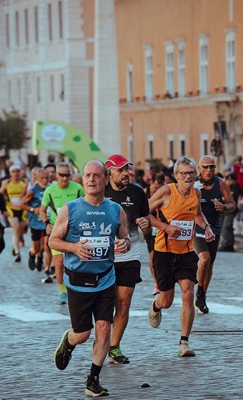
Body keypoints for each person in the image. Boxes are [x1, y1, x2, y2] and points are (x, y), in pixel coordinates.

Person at [51, 160, 130, 397]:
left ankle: (93, 380)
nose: (91, 179)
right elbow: (53, 240)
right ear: (82, 179)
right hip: (78, 280)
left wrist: (123, 243)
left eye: (97, 175)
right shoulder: (70, 209)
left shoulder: (116, 210)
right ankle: (69, 341)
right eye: (87, 175)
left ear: (107, 179)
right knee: (83, 334)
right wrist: (74, 248)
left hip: (106, 278)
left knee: (104, 328)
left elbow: (125, 238)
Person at [147, 156, 215, 357]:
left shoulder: (196, 192)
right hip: (164, 252)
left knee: (188, 292)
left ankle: (184, 342)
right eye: (183, 173)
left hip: (186, 252)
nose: (187, 176)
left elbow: (197, 214)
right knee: (167, 300)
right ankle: (156, 305)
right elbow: (144, 213)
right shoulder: (167, 191)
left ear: (196, 175)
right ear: (176, 176)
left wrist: (207, 228)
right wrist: (166, 227)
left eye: (191, 173)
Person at [104, 154, 151, 364]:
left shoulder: (137, 192)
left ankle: (114, 347)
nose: (126, 173)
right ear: (110, 172)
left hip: (130, 255)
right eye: (120, 170)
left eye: (126, 169)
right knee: (106, 304)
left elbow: (146, 220)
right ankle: (101, 342)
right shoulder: (100, 193)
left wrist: (146, 225)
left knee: (123, 302)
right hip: (104, 258)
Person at [193, 156, 236, 313]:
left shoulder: (220, 183)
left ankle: (202, 295)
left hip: (215, 228)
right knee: (204, 259)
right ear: (200, 168)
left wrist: (224, 206)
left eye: (212, 167)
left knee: (209, 264)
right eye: (205, 167)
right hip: (198, 228)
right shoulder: (195, 184)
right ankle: (198, 289)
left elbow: (232, 203)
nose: (209, 170)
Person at [40, 162, 84, 304]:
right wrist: (47, 223)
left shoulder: (77, 188)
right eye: (62, 175)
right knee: (59, 263)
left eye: (67, 175)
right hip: (57, 231)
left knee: (79, 261)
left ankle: (78, 288)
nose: (65, 179)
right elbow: (42, 210)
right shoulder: (50, 190)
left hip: (75, 230)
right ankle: (62, 291)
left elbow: (87, 204)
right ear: (56, 175)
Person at [21, 168, 49, 273]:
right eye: (42, 178)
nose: (45, 180)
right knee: (37, 248)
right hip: (35, 223)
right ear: (36, 178)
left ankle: (43, 261)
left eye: (46, 178)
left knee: (46, 246)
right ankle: (32, 254)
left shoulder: (50, 189)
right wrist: (33, 209)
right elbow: (22, 205)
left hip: (46, 221)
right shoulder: (32, 191)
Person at [0, 164, 27, 262]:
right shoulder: (6, 183)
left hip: (23, 209)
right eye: (13, 171)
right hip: (11, 209)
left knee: (20, 229)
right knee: (16, 228)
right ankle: (17, 252)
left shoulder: (24, 182)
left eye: (17, 171)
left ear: (20, 172)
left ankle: (16, 244)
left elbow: (29, 194)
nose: (15, 173)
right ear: (10, 173)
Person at [144, 172, 165, 295]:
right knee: (152, 256)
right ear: (151, 183)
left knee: (161, 255)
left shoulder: (166, 191)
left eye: (159, 187)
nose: (157, 190)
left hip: (162, 226)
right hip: (150, 227)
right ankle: (156, 283)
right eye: (155, 188)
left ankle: (164, 279)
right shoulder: (144, 192)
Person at [219, 173, 240, 252]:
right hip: (227, 210)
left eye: (228, 180)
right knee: (229, 228)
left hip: (231, 211)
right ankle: (229, 244)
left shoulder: (234, 187)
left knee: (226, 228)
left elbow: (230, 199)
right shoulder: (229, 187)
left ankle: (225, 244)